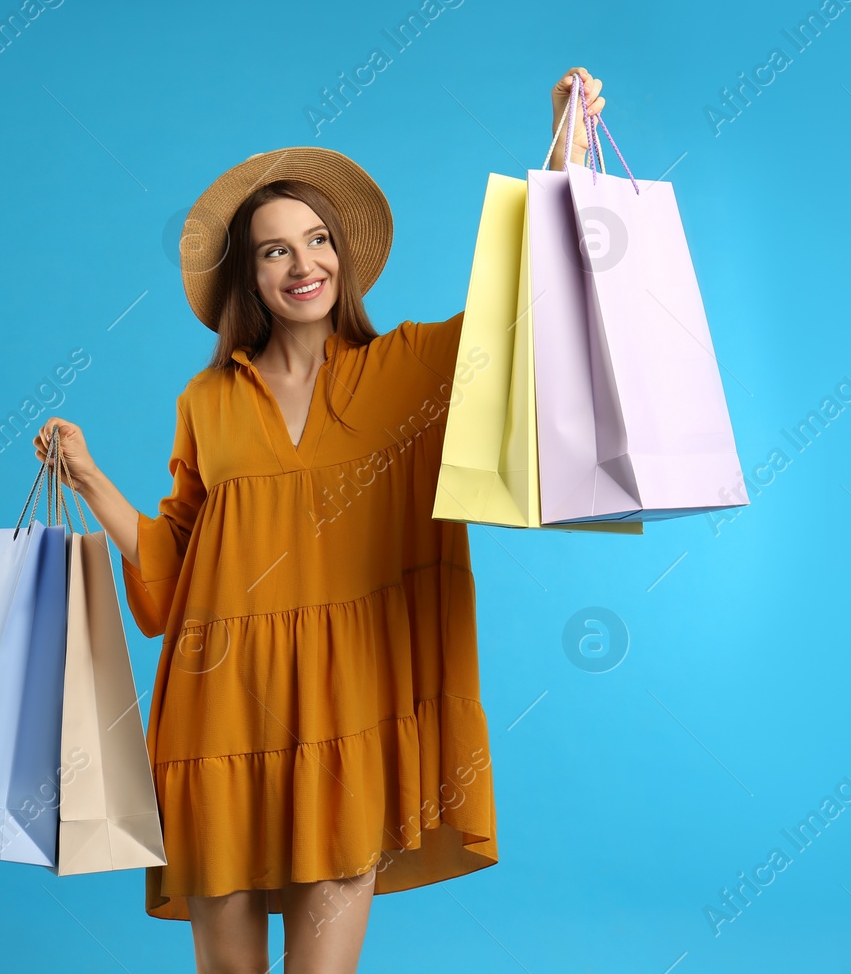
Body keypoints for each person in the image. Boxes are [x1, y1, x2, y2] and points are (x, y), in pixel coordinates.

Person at [34, 67, 606, 974]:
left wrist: (565, 159)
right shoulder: (207, 401)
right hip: (215, 718)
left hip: (348, 721)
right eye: (274, 251)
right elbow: (171, 580)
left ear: (343, 252)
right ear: (248, 277)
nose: (304, 265)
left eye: (317, 240)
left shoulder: (409, 371)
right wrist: (95, 481)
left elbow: (521, 320)